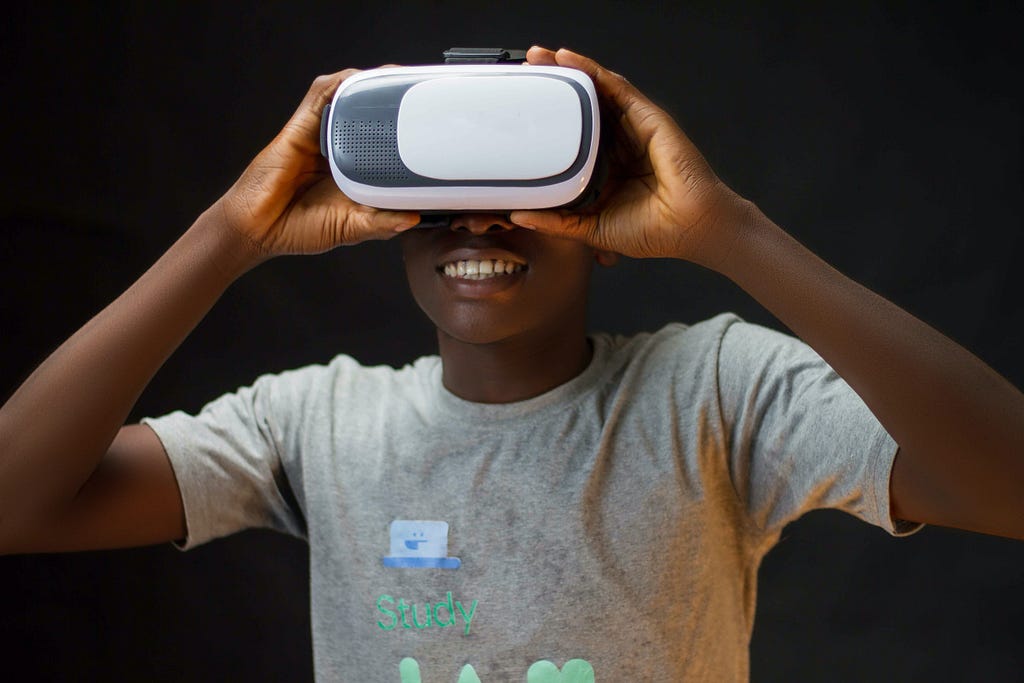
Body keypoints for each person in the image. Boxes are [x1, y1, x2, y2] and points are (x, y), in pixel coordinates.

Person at [0, 45, 1021, 681]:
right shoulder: (314, 422)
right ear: (385, 223)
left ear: (611, 222)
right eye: (437, 200)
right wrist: (231, 230)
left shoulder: (717, 392)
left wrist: (727, 230)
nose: (479, 222)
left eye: (529, 189)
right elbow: (17, 502)